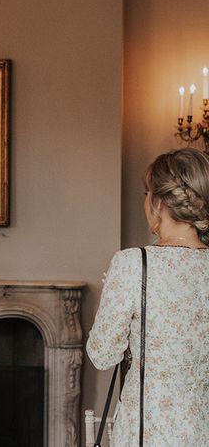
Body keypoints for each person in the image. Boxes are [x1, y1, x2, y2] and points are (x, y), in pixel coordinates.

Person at [87, 148, 209, 445]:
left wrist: (116, 295)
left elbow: (102, 355)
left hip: (148, 429)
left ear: (157, 201)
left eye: (146, 193)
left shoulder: (133, 263)